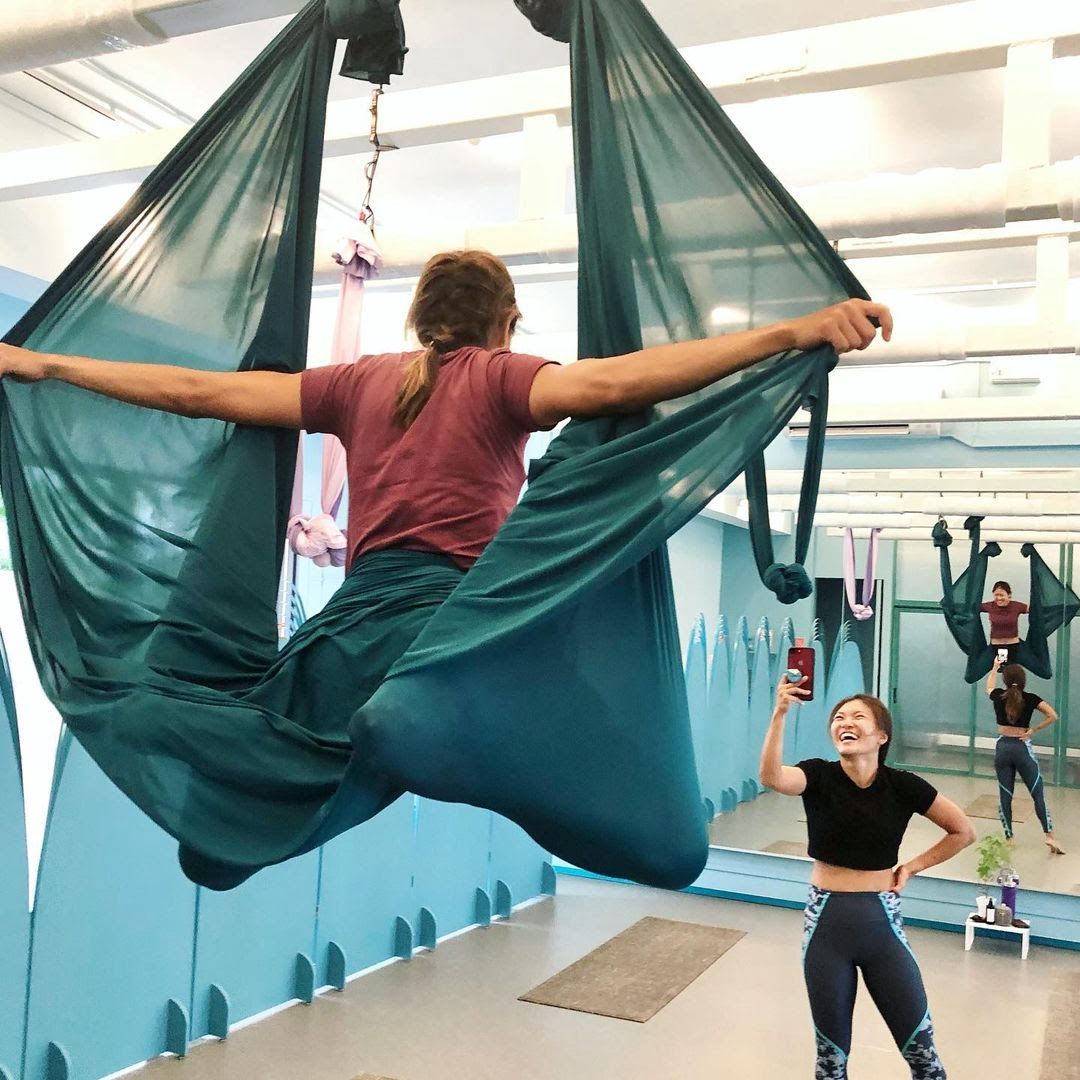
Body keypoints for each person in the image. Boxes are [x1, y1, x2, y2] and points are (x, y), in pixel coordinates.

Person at [1, 249, 893, 884]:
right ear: (504, 322)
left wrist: (44, 363)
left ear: (417, 318)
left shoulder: (358, 382)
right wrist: (791, 333)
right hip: (456, 642)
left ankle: (402, 731)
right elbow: (622, 383)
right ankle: (419, 732)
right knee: (671, 852)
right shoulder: (500, 376)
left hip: (345, 637)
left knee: (217, 851)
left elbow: (202, 394)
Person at [760, 680, 974, 1080]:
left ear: (881, 735)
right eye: (839, 717)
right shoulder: (818, 776)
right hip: (825, 928)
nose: (846, 722)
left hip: (883, 929)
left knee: (924, 1057)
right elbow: (772, 777)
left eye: (859, 716)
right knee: (831, 1061)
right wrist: (780, 714)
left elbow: (962, 831)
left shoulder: (903, 785)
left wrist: (911, 866)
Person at [985, 656, 1063, 853]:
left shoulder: (999, 696)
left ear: (1006, 680)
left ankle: (1009, 837)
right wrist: (1034, 730)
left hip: (1003, 748)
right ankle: (1050, 836)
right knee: (1037, 793)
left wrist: (995, 668)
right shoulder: (1031, 698)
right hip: (1022, 748)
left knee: (1005, 794)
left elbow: (989, 687)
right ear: (1023, 680)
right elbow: (1053, 715)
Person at [980, 580, 1028, 666]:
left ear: (1009, 595)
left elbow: (1036, 610)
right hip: (997, 647)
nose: (998, 598)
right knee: (1001, 669)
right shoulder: (990, 606)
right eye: (996, 595)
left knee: (1012, 672)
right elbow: (970, 607)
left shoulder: (1016, 606)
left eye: (1001, 595)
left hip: (1014, 646)